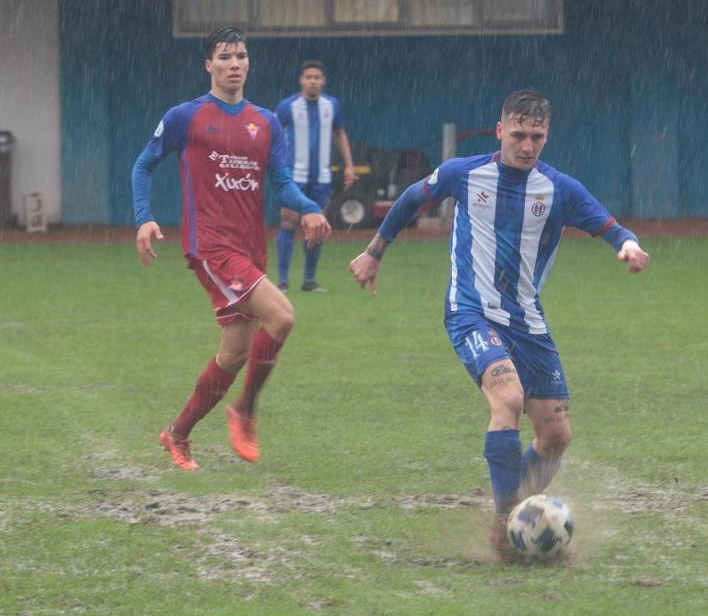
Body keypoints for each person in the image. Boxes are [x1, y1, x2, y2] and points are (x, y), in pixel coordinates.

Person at [347, 89, 650, 556]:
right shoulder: (464, 173)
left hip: (528, 323)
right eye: (518, 134)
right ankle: (507, 522)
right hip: (470, 311)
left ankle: (523, 513)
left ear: (546, 135)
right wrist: (374, 253)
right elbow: (411, 199)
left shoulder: (559, 189)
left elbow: (609, 226)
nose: (527, 146)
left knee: (555, 436)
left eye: (537, 136)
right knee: (507, 399)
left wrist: (627, 246)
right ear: (500, 130)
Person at [132, 27, 331, 471]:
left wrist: (309, 208)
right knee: (282, 315)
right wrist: (144, 216)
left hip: (248, 249)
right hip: (212, 247)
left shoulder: (265, 122)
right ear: (209, 65)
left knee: (235, 353)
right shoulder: (187, 116)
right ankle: (244, 410)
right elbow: (144, 164)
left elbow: (281, 183)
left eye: (241, 55)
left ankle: (177, 434)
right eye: (224, 57)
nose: (234, 63)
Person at [274, 60, 355, 293]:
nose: (312, 81)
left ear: (323, 81)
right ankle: (282, 281)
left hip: (321, 177)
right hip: (293, 176)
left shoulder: (332, 105)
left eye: (316, 77)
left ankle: (309, 280)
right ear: (301, 80)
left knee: (317, 226)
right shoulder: (287, 106)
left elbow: (340, 134)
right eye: (308, 77)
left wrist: (349, 166)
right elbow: (274, 138)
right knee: (288, 222)